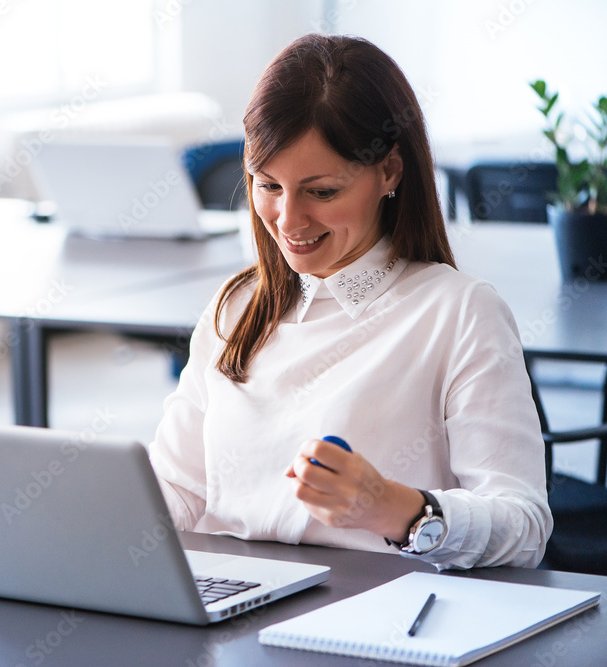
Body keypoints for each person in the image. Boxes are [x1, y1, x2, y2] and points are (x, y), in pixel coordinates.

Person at [148, 34, 551, 570]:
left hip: (381, 616)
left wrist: (399, 510)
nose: (288, 222)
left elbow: (524, 529)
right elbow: (175, 490)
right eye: (267, 185)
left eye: (322, 192)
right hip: (235, 602)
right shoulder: (237, 307)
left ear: (389, 171)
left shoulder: (458, 312)